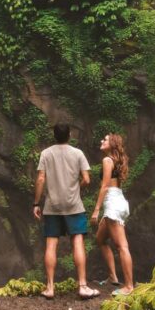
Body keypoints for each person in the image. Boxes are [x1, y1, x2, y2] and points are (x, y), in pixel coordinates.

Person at [33, 123, 100, 300]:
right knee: (77, 241)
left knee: (51, 244)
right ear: (69, 135)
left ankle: (49, 288)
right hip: (74, 205)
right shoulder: (78, 153)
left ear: (54, 136)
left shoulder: (46, 153)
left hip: (52, 205)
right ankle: (83, 286)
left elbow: (40, 179)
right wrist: (76, 187)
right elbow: (86, 178)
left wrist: (36, 203)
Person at [90, 133, 134, 295]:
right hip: (118, 200)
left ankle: (129, 286)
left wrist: (96, 210)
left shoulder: (107, 160)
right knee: (100, 239)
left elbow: (105, 187)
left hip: (113, 204)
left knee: (122, 246)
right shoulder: (117, 160)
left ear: (112, 144)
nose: (102, 141)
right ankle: (113, 277)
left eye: (106, 139)